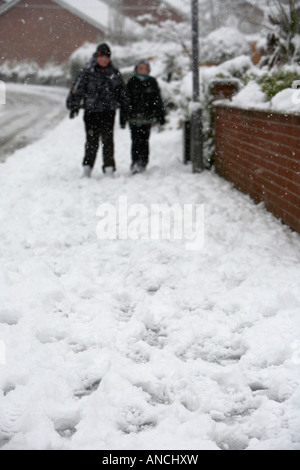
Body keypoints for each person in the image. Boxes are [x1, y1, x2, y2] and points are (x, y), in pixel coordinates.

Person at [66, 43, 129, 177]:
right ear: (97, 57)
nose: (104, 60)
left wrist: (125, 109)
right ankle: (87, 167)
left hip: (108, 112)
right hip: (91, 112)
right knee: (91, 141)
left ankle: (109, 168)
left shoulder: (114, 73)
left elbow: (122, 93)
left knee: (108, 141)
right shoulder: (88, 72)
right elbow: (77, 89)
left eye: (107, 57)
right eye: (101, 57)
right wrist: (74, 105)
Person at [121, 60, 165, 174]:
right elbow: (125, 101)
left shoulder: (152, 82)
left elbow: (157, 100)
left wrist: (160, 115)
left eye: (145, 68)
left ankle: (143, 161)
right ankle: (135, 161)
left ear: (148, 70)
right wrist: (123, 117)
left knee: (145, 140)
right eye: (140, 68)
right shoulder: (131, 82)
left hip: (147, 117)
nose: (142, 70)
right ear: (136, 70)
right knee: (135, 140)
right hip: (134, 117)